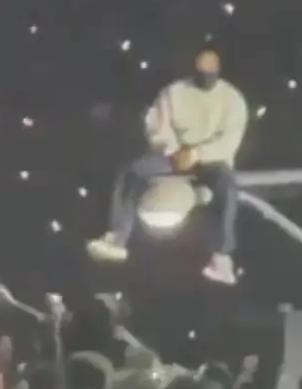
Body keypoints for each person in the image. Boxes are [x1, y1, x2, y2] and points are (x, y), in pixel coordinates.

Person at [86, 48, 249, 285]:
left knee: (226, 186)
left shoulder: (233, 99)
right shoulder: (172, 93)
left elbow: (230, 141)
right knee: (131, 172)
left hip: (210, 162)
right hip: (172, 157)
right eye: (202, 70)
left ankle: (222, 257)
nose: (206, 76)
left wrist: (197, 153)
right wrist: (173, 151)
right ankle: (116, 238)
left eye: (211, 71)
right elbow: (157, 126)